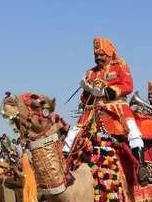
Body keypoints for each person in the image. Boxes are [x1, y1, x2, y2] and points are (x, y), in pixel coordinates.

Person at [62, 38, 145, 168]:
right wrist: (87, 90)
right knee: (72, 134)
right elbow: (84, 99)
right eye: (96, 55)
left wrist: (107, 92)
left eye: (101, 55)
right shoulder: (90, 73)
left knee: (134, 133)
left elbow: (128, 86)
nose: (98, 57)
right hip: (93, 110)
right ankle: (64, 164)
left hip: (117, 107)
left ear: (109, 54)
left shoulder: (120, 65)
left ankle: (141, 167)